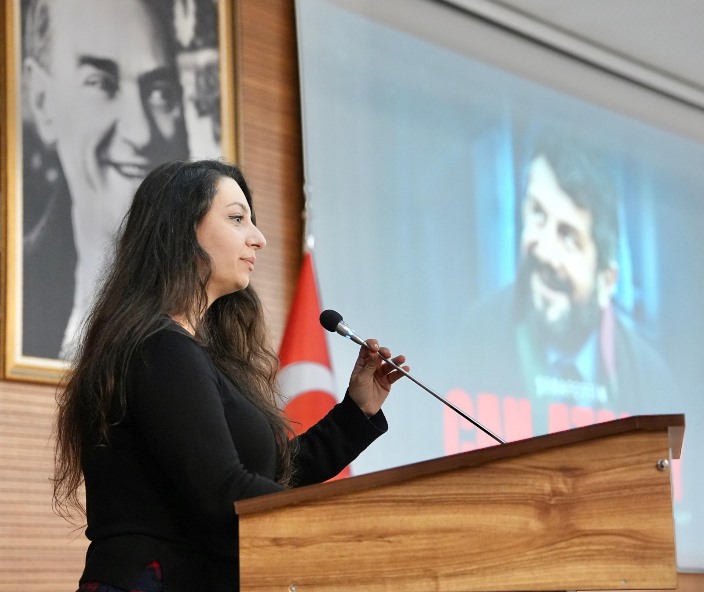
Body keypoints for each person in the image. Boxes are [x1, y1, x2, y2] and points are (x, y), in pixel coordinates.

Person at [52, 159, 408, 591]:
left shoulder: (191, 353)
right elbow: (225, 492)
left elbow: (273, 474)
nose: (258, 238)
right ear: (181, 230)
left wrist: (356, 412)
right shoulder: (159, 348)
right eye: (237, 219)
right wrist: (354, 523)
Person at [457, 132, 674, 435]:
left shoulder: (651, 379)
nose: (545, 252)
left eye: (569, 237)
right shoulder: (472, 339)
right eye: (538, 214)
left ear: (606, 282)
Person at [22, 0, 190, 359]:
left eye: (159, 90)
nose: (141, 132)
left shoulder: (211, 304)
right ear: (41, 100)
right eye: (101, 83)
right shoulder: (20, 286)